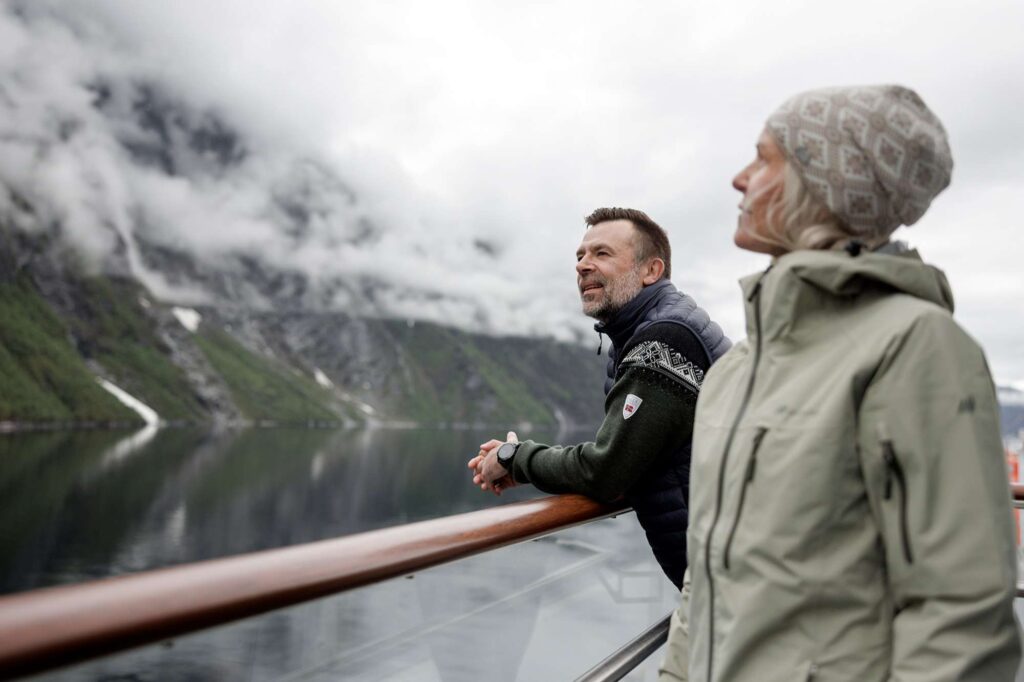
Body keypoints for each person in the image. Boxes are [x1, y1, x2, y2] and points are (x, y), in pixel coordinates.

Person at [660, 85, 1021, 681]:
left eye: (764, 158)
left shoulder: (916, 346)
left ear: (824, 184)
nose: (738, 178)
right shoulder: (733, 370)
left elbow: (961, 618)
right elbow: (704, 579)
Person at [468, 207, 730, 587]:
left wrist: (514, 458)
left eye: (601, 254)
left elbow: (607, 471)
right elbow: (628, 456)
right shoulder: (650, 331)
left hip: (735, 576)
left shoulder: (665, 339)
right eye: (580, 256)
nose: (582, 266)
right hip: (730, 567)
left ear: (651, 271)